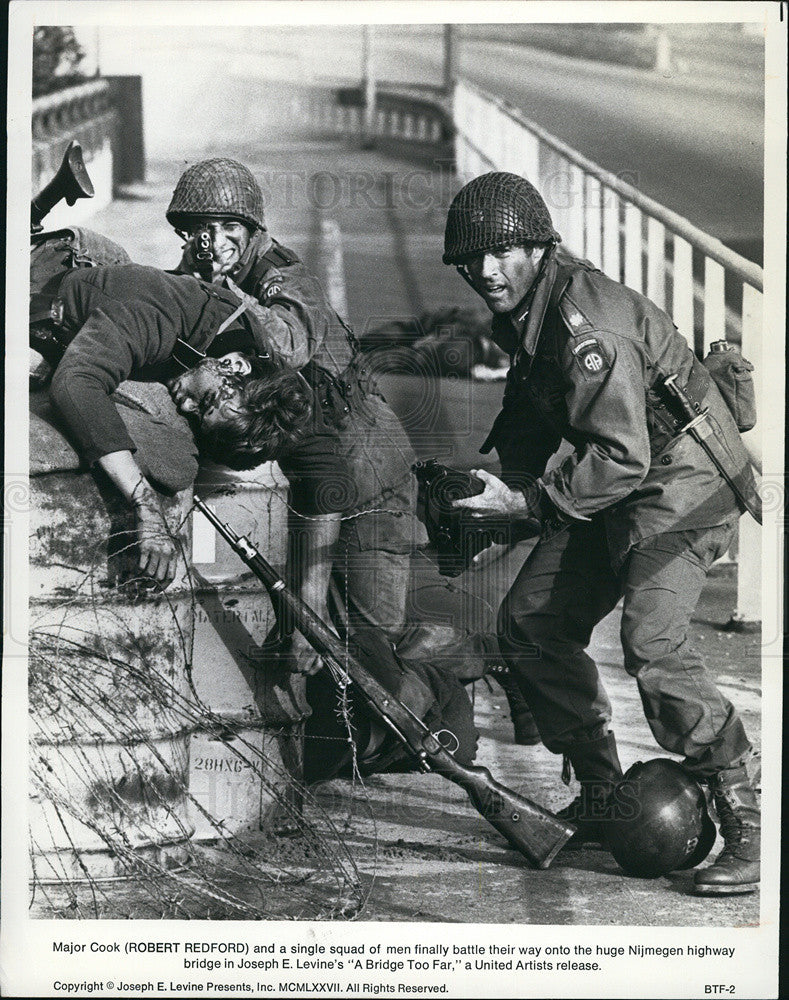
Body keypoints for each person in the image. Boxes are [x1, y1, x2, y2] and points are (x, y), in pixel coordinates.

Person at [29, 254, 478, 779]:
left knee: (365, 662)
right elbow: (76, 382)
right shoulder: (155, 313)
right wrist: (147, 509)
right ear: (232, 368)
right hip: (49, 304)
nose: (190, 408)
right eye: (206, 404)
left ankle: (454, 680)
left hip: (384, 492)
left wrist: (304, 612)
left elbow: (324, 478)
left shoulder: (270, 387)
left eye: (205, 410)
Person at [442, 171, 761, 896]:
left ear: (537, 246)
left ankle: (745, 813)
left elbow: (623, 457)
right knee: (528, 624)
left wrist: (527, 505)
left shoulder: (588, 327)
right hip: (621, 478)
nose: (486, 272)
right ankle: (600, 790)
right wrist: (493, 504)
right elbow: (528, 418)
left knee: (652, 643)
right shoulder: (525, 311)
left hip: (686, 481)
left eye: (504, 253)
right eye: (472, 259)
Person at [162, 156, 540, 748]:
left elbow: (288, 340)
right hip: (326, 476)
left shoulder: (284, 284)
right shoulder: (206, 272)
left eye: (225, 228)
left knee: (368, 651)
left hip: (368, 481)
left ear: (252, 228)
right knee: (343, 639)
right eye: (198, 230)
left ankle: (486, 656)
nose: (212, 244)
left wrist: (229, 301)